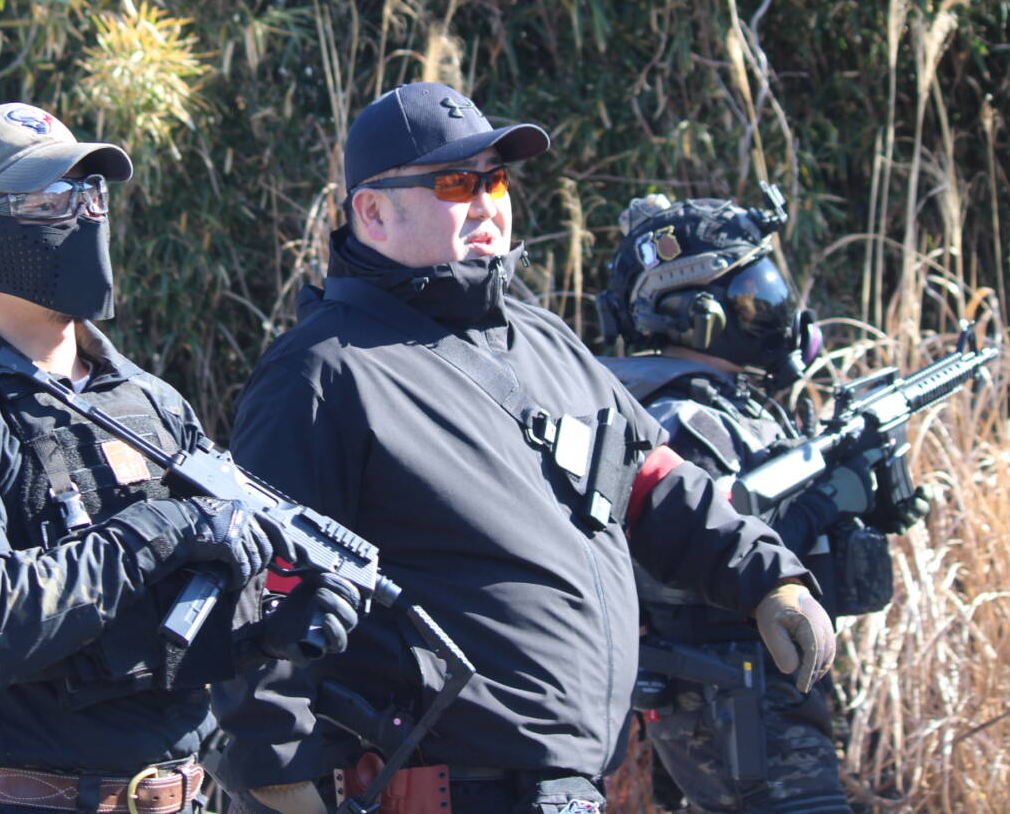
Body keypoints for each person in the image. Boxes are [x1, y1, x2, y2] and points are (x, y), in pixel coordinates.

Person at [209, 82, 837, 814]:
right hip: (435, 791)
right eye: (455, 183)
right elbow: (260, 588)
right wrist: (277, 777)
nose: (486, 204)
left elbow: (651, 484)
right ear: (372, 211)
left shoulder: (544, 340)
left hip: (572, 791)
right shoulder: (320, 372)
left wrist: (767, 578)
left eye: (496, 180)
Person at [0, 102, 361, 814]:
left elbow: (159, 631)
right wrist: (157, 532)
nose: (82, 215)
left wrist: (267, 625)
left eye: (89, 194)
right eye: (44, 202)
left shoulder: (149, 402)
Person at [596, 191, 931, 813]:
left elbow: (770, 526)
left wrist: (859, 505)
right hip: (730, 694)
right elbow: (702, 558)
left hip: (762, 684)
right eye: (754, 295)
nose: (775, 311)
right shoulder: (679, 416)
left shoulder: (724, 405)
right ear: (700, 314)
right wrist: (827, 501)